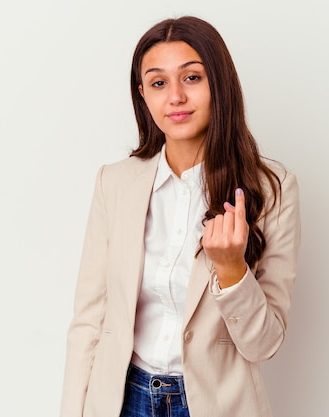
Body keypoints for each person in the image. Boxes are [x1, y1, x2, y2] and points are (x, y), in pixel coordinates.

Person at [60, 16, 301, 417]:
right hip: (123, 399)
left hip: (214, 404)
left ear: (219, 85)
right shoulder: (114, 184)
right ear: (143, 95)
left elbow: (265, 343)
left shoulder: (273, 190)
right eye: (158, 83)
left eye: (191, 78)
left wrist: (231, 270)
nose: (175, 97)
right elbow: (88, 321)